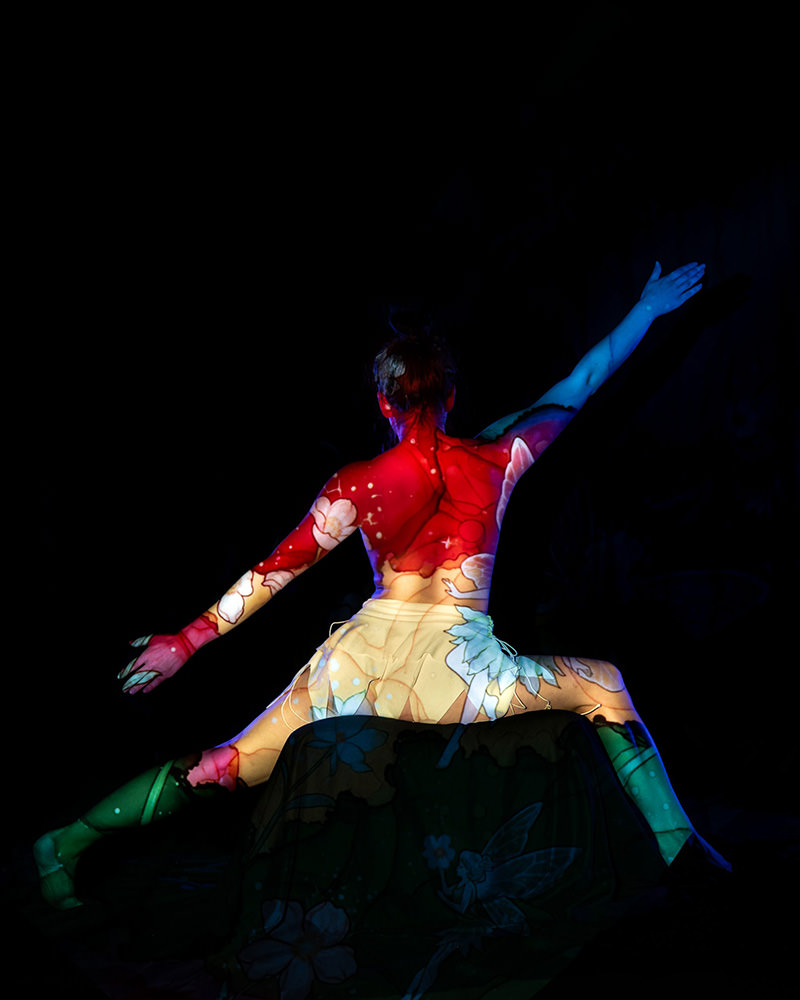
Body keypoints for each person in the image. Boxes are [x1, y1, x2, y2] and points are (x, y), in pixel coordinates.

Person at [34, 261, 728, 910]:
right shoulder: (500, 459)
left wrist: (186, 642)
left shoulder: (356, 486)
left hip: (356, 674)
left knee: (220, 767)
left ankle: (64, 844)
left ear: (382, 401)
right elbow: (582, 381)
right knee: (602, 687)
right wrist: (645, 310)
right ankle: (678, 849)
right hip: (461, 680)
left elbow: (272, 574)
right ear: (451, 394)